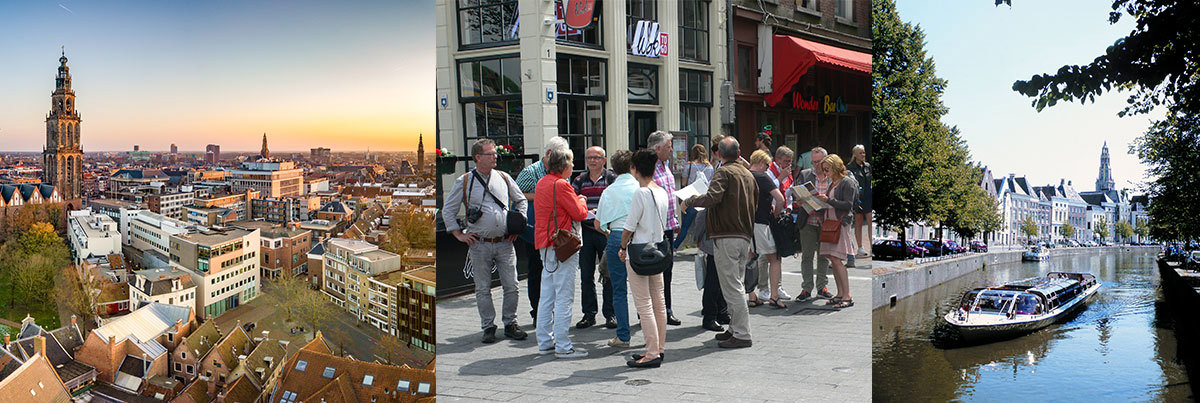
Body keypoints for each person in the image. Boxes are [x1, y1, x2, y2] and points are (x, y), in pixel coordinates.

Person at [442, 139, 529, 343]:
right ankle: (488, 327)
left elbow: (521, 200)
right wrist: (459, 234)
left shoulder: (504, 177)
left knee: (512, 285)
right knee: (483, 288)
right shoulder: (464, 181)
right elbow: (448, 210)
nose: (495, 156)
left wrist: (519, 223)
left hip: (505, 242)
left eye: (494, 153)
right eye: (490, 154)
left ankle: (511, 323)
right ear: (478, 157)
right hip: (479, 244)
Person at [682, 136, 757, 349]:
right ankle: (734, 328)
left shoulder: (724, 171)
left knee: (731, 287)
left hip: (727, 235)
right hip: (743, 235)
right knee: (736, 284)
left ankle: (742, 333)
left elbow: (712, 197)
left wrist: (689, 200)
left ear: (720, 154)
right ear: (739, 153)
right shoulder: (747, 173)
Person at [533, 147, 589, 358]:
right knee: (564, 295)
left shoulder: (542, 182)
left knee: (547, 293)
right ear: (564, 166)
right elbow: (580, 213)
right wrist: (582, 199)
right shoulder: (561, 185)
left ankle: (545, 341)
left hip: (545, 243)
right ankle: (564, 346)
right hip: (562, 244)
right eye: (572, 163)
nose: (574, 166)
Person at [617, 149, 671, 368]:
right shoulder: (662, 191)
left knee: (644, 303)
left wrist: (622, 247)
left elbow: (629, 227)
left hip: (639, 251)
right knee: (659, 301)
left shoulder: (641, 193)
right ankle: (658, 347)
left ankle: (651, 352)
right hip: (657, 249)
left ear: (634, 169)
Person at [515, 136, 570, 323]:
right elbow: (516, 195)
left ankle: (549, 310)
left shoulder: (560, 171)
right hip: (534, 230)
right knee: (535, 270)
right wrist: (543, 194)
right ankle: (537, 310)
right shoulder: (530, 173)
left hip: (556, 231)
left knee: (553, 271)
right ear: (548, 154)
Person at [572, 146, 617, 329]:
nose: (592, 161)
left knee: (608, 274)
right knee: (586, 275)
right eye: (589, 157)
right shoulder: (579, 180)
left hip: (606, 232)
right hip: (586, 232)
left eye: (596, 158)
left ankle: (610, 314)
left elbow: (617, 201)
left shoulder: (612, 179)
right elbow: (572, 202)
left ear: (604, 160)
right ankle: (589, 314)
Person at [597, 150, 637, 347]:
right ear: (632, 166)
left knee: (619, 289)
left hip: (615, 236)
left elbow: (598, 224)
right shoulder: (640, 187)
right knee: (644, 290)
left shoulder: (609, 191)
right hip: (639, 238)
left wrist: (610, 232)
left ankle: (623, 335)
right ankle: (651, 334)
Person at [647, 130, 682, 326]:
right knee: (653, 271)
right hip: (653, 229)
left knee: (667, 271)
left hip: (668, 227)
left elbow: (670, 195)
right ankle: (650, 311)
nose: (671, 150)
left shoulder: (665, 165)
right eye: (669, 147)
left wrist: (675, 220)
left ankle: (666, 309)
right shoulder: (647, 168)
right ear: (657, 148)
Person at [816, 154, 859, 309]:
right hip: (831, 223)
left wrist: (828, 200)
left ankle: (847, 295)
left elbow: (848, 204)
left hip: (840, 224)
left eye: (827, 169)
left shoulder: (847, 182)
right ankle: (840, 294)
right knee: (833, 260)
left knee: (837, 260)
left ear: (835, 167)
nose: (825, 172)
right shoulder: (833, 183)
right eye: (823, 169)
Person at [747, 150, 787, 309]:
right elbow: (780, 199)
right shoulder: (763, 177)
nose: (768, 168)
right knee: (774, 258)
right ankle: (775, 296)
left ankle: (751, 296)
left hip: (745, 223)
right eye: (768, 165)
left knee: (750, 258)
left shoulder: (744, 176)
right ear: (762, 163)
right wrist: (777, 213)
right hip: (761, 223)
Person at [794, 147, 832, 302]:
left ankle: (822, 287)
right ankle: (806, 288)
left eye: (819, 161)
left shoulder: (832, 177)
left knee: (824, 255)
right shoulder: (805, 174)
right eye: (813, 162)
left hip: (826, 221)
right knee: (807, 256)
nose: (816, 165)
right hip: (808, 220)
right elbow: (797, 196)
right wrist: (800, 198)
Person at [758, 146, 795, 301]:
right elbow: (768, 189)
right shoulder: (768, 171)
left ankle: (777, 286)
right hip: (767, 216)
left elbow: (789, 194)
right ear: (777, 159)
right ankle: (763, 288)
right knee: (764, 255)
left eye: (790, 161)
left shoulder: (789, 174)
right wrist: (780, 177)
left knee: (778, 252)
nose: (788, 164)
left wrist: (789, 208)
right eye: (785, 161)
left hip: (781, 215)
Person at [848, 144, 873, 257]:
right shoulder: (850, 167)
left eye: (864, 152)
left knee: (870, 221)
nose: (863, 155)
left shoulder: (867, 166)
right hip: (858, 197)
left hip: (868, 196)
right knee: (858, 221)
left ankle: (872, 247)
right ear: (855, 155)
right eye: (861, 153)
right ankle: (860, 247)